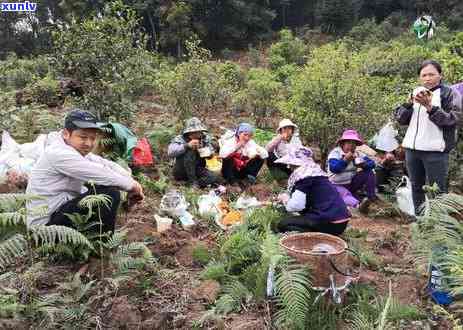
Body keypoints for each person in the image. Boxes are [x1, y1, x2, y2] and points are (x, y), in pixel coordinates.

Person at [26, 109, 144, 234]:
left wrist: (129, 179)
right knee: (110, 194)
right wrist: (132, 186)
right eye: (83, 137)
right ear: (66, 134)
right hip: (45, 227)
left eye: (93, 138)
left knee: (102, 186)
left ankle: (91, 237)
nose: (88, 143)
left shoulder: (74, 150)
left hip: (60, 210)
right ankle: (102, 245)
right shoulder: (58, 153)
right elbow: (100, 173)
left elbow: (105, 164)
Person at [395, 60, 461, 213]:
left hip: (435, 151)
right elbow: (401, 120)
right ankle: (420, 221)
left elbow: (454, 120)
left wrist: (430, 107)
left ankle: (438, 226)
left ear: (440, 75)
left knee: (437, 191)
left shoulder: (449, 93)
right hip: (412, 149)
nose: (427, 78)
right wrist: (408, 103)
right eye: (424, 75)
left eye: (431, 74)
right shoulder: (416, 92)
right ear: (419, 78)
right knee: (416, 187)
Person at [276, 146, 350, 235]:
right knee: (299, 218)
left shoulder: (304, 177)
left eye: (289, 164)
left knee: (283, 224)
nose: (288, 167)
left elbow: (296, 206)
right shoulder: (316, 173)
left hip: (330, 223)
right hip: (340, 222)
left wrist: (285, 199)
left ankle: (315, 237)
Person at [327, 129, 377, 213]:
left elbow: (372, 164)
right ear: (342, 144)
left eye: (354, 143)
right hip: (336, 184)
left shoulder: (357, 153)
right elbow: (334, 169)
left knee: (369, 173)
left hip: (351, 183)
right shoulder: (335, 153)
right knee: (344, 194)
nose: (351, 146)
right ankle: (358, 205)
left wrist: (363, 165)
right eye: (349, 143)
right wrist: (345, 160)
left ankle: (371, 197)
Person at [167, 117, 222, 188]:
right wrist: (187, 146)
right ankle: (192, 181)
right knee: (190, 151)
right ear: (188, 132)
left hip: (197, 168)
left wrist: (205, 151)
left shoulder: (204, 138)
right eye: (194, 132)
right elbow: (170, 152)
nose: (197, 134)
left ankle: (193, 184)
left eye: (198, 132)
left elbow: (211, 153)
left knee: (214, 177)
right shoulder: (180, 139)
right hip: (181, 169)